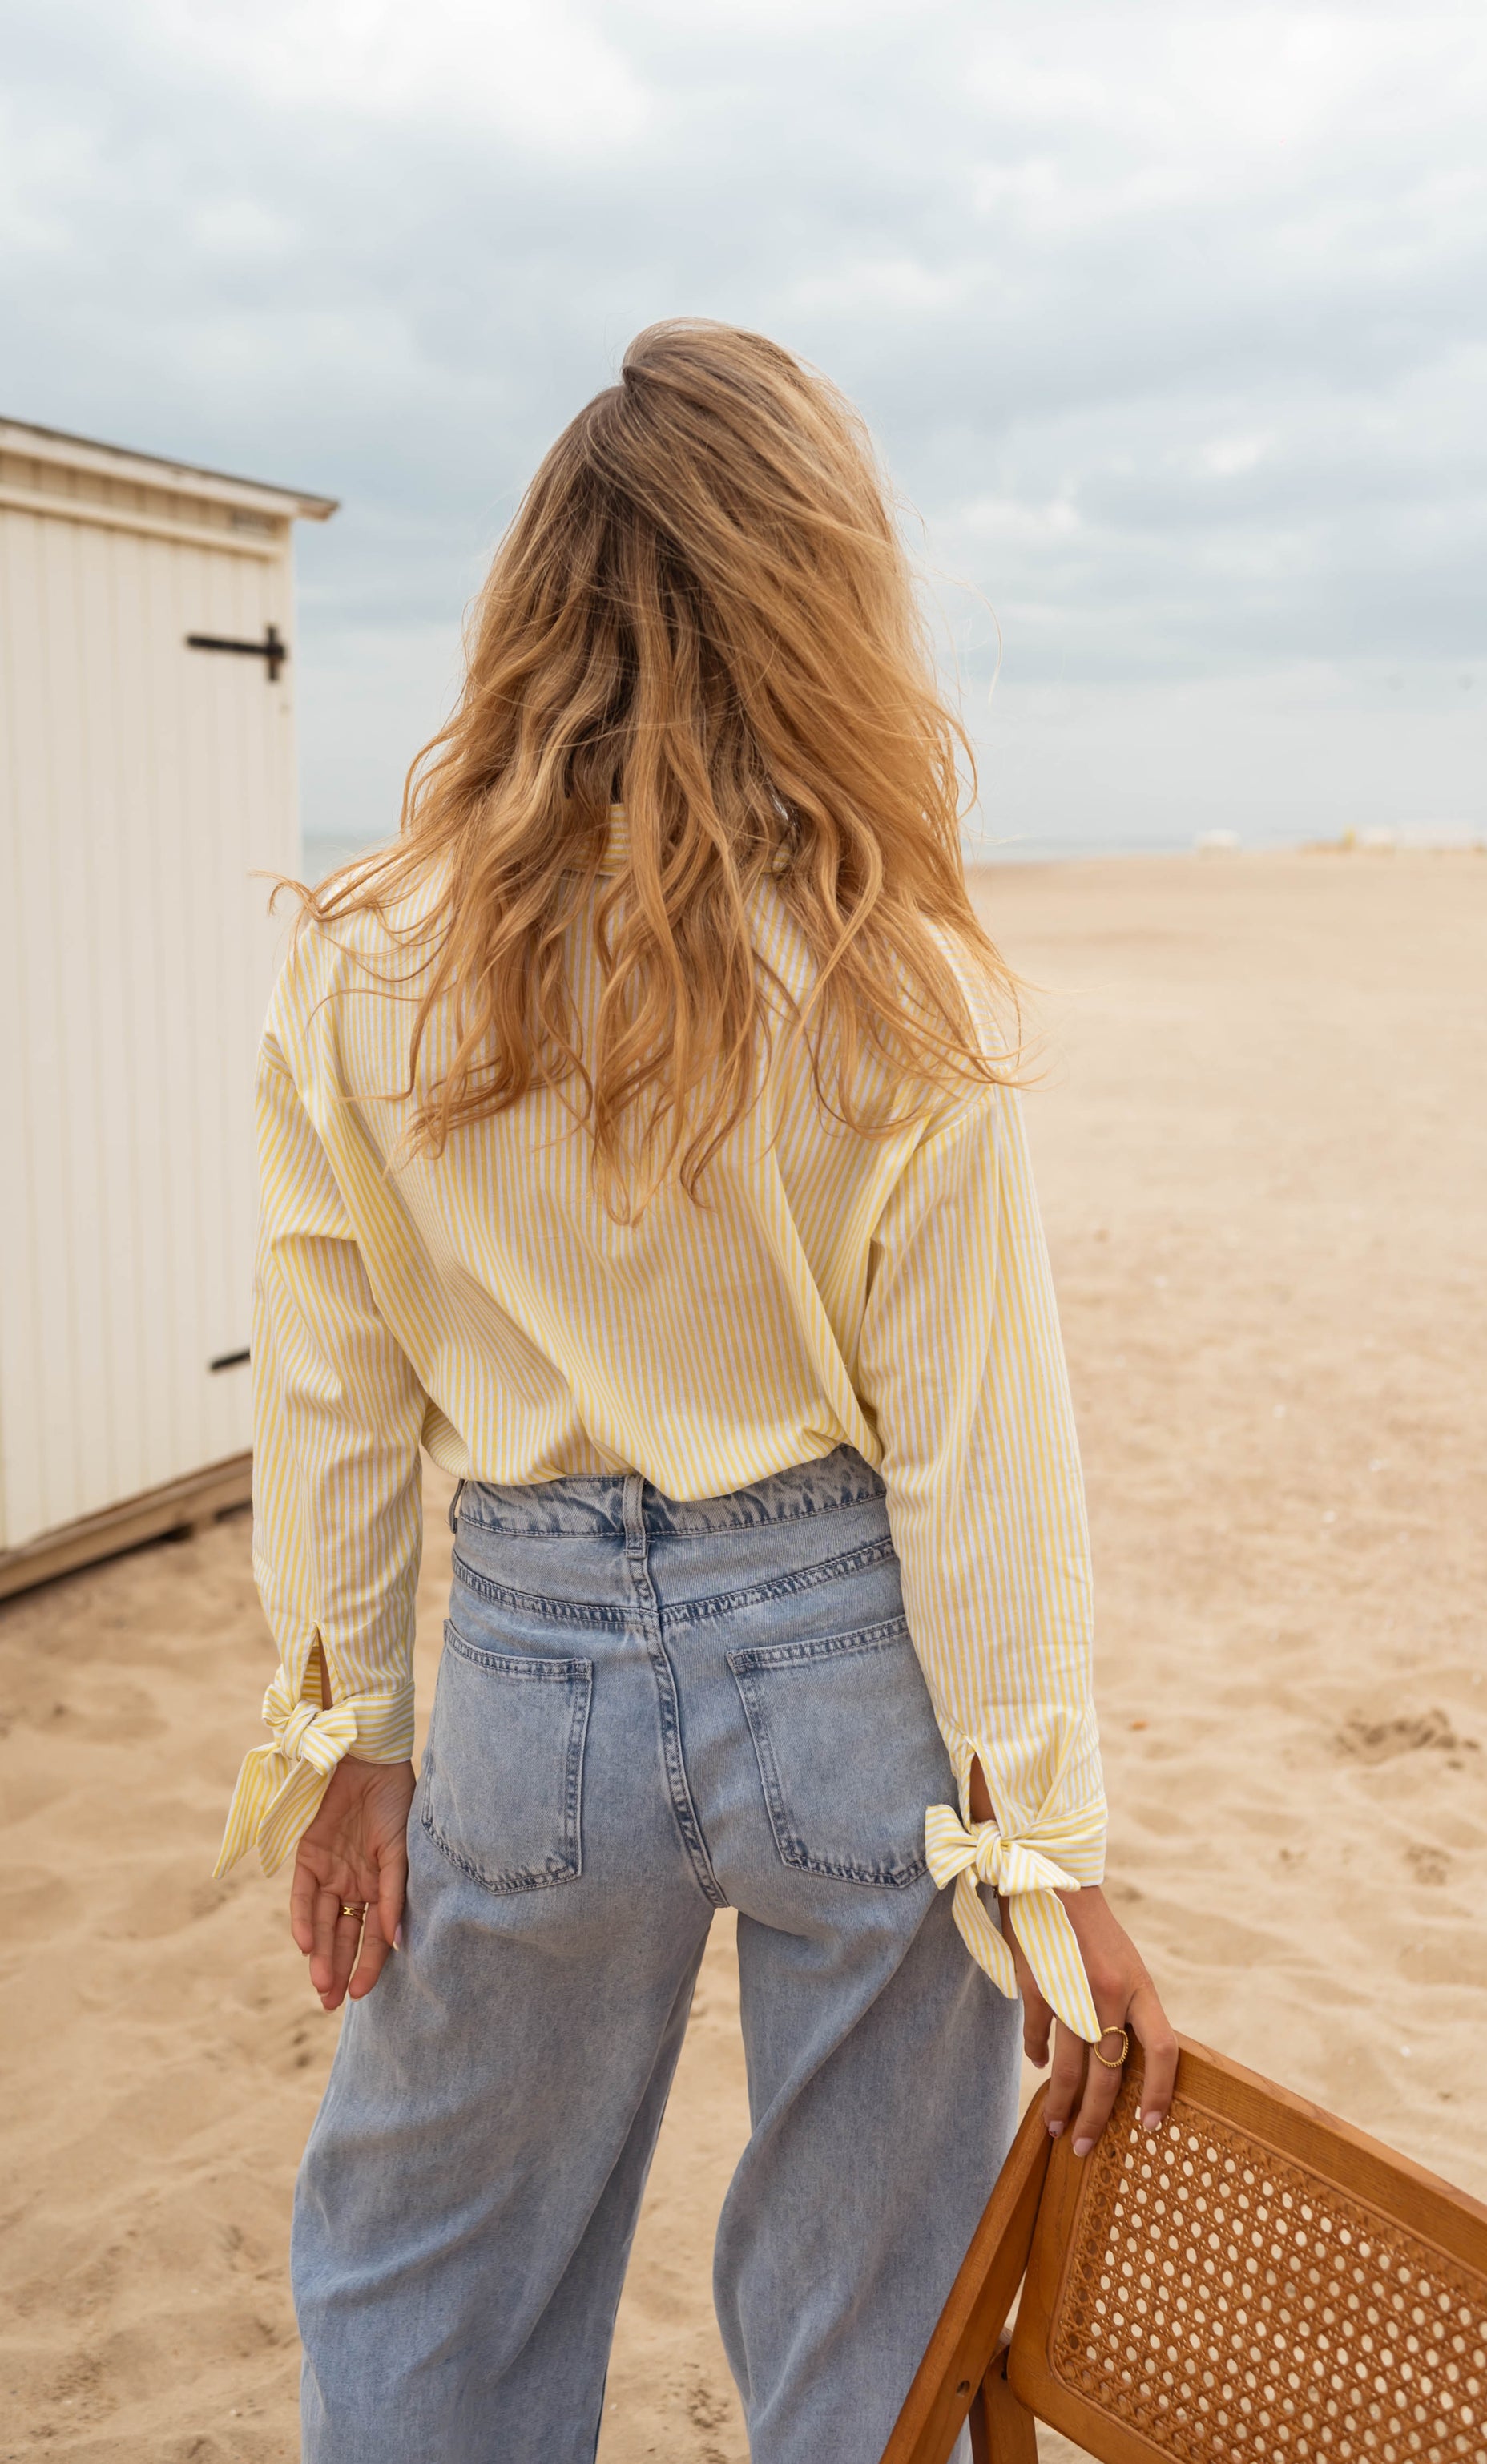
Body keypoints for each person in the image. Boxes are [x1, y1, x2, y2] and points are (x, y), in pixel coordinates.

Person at [216, 319, 1176, 2464]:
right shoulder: (887, 982)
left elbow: (336, 1379)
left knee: (427, 2262)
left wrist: (349, 1733)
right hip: (853, 1664)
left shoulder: (367, 962)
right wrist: (1047, 1856)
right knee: (874, 2314)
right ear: (814, 601)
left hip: (530, 1670)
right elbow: (977, 1452)